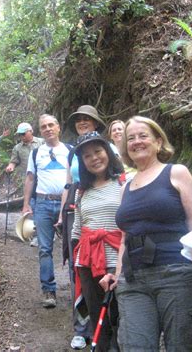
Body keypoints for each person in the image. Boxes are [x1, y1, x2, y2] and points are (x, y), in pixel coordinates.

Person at [101, 116, 192, 351]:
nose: (136, 142)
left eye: (143, 136)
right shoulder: (125, 188)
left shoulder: (176, 173)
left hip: (178, 272)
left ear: (158, 142)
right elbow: (124, 238)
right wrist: (117, 275)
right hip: (133, 280)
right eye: (131, 138)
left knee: (183, 346)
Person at [59, 105, 109, 349]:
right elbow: (68, 185)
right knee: (77, 268)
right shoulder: (73, 152)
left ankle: (105, 330)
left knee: (102, 269)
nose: (82, 122)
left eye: (86, 119)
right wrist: (62, 213)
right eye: (78, 120)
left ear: (96, 122)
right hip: (77, 204)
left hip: (100, 206)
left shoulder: (104, 150)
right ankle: (81, 326)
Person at [71, 132, 126, 352]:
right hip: (87, 261)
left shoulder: (124, 182)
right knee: (97, 315)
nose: (94, 158)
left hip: (116, 259)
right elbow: (77, 228)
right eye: (87, 156)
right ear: (82, 162)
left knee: (120, 315)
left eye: (98, 152)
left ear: (108, 153)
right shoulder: (82, 190)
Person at [22, 114, 71, 309]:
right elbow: (30, 178)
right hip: (42, 203)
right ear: (40, 131)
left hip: (68, 204)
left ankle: (78, 290)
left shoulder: (70, 151)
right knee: (44, 249)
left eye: (51, 125)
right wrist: (26, 204)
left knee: (73, 247)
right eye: (44, 127)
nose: (48, 129)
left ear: (58, 127)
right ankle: (48, 290)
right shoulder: (36, 153)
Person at [5, 122, 44, 247]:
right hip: (29, 181)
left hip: (44, 180)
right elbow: (13, 161)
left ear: (31, 131)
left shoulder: (42, 143)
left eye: (23, 133)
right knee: (31, 207)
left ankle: (47, 232)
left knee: (44, 206)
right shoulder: (17, 148)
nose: (22, 136)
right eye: (20, 134)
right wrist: (10, 167)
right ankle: (35, 235)